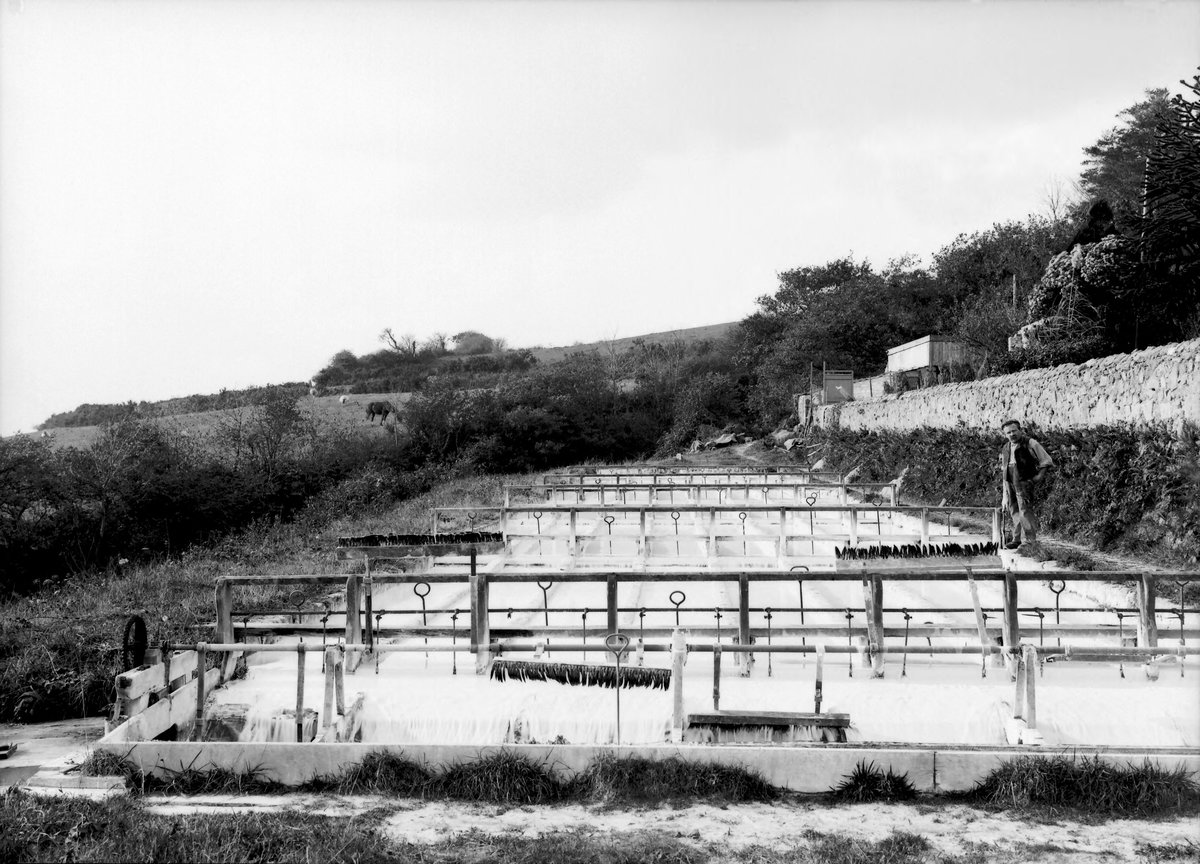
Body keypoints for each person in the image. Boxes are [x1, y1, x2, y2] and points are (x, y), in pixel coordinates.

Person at [998, 419, 1053, 549]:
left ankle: (1029, 541)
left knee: (1025, 510)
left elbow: (1046, 460)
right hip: (1009, 481)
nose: (1012, 434)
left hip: (1024, 481)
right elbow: (1004, 469)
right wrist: (1004, 495)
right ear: (1005, 434)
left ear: (1020, 430)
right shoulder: (1005, 447)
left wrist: (1038, 477)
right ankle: (1017, 539)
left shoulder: (1030, 443)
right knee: (1014, 510)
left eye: (1014, 431)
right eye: (1008, 432)